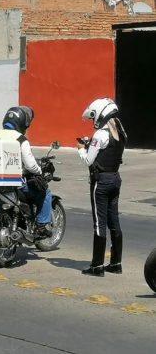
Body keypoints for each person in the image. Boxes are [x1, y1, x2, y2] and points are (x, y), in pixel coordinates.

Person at [77, 98, 127, 277]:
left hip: (101, 182)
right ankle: (116, 263)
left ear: (100, 113)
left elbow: (89, 160)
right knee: (114, 222)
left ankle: (97, 266)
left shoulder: (100, 134)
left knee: (99, 223)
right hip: (115, 178)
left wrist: (81, 148)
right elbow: (109, 152)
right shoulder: (120, 132)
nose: (93, 121)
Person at [0, 106, 53, 240]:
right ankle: (41, 226)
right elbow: (30, 164)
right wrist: (39, 171)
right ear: (23, 123)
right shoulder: (20, 139)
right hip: (15, 184)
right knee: (45, 193)